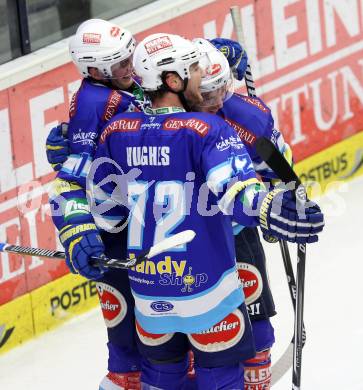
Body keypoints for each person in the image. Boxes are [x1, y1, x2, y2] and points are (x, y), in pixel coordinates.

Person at [88, 32, 324, 389]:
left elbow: (107, 213)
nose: (210, 94)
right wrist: (270, 208)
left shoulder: (118, 129)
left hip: (153, 294)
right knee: (221, 368)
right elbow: (240, 192)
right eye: (199, 77)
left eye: (217, 86)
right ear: (175, 81)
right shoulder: (208, 129)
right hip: (211, 283)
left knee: (168, 373)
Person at [48, 18, 146, 390]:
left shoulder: (124, 83)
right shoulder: (94, 101)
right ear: (94, 70)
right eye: (120, 64)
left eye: (130, 57)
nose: (130, 67)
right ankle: (125, 380)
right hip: (117, 227)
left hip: (145, 218)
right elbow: (71, 179)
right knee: (126, 321)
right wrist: (77, 228)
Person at [191, 38, 292, 389]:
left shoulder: (247, 115)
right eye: (207, 94)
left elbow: (283, 166)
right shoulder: (169, 117)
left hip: (238, 231)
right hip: (192, 241)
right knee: (199, 330)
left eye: (222, 88)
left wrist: (276, 201)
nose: (218, 101)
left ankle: (254, 378)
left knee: (256, 319)